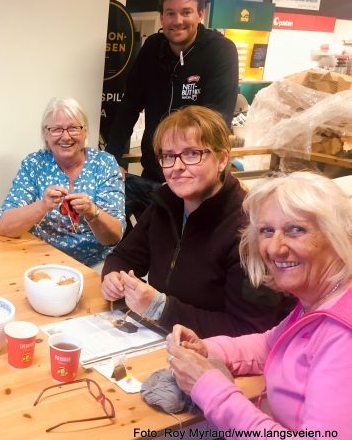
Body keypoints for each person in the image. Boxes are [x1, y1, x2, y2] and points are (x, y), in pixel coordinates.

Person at [167, 171, 352, 440]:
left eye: (296, 229)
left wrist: (207, 386)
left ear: (337, 235)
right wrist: (206, 349)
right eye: (267, 230)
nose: (275, 248)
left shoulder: (343, 333)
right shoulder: (322, 300)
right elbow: (270, 345)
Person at [102, 106, 292, 338]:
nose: (178, 167)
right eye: (169, 156)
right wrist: (113, 277)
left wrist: (160, 308)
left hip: (222, 357)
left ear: (222, 159)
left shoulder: (250, 229)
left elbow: (249, 330)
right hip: (165, 337)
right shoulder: (166, 205)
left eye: (192, 154)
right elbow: (123, 257)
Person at [105, 0, 239, 221]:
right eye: (170, 13)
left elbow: (216, 122)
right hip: (154, 174)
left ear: (201, 13)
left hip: (197, 180)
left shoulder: (220, 51)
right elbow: (129, 106)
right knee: (138, 242)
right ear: (162, 17)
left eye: (186, 12)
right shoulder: (152, 48)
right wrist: (113, 159)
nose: (177, 21)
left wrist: (183, 170)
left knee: (184, 251)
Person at [0, 97, 125, 269]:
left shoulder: (104, 164)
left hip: (95, 263)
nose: (66, 136)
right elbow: (5, 226)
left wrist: (91, 211)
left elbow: (114, 236)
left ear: (85, 132)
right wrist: (42, 206)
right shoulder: (34, 164)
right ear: (46, 134)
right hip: (41, 260)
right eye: (56, 129)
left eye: (73, 128)